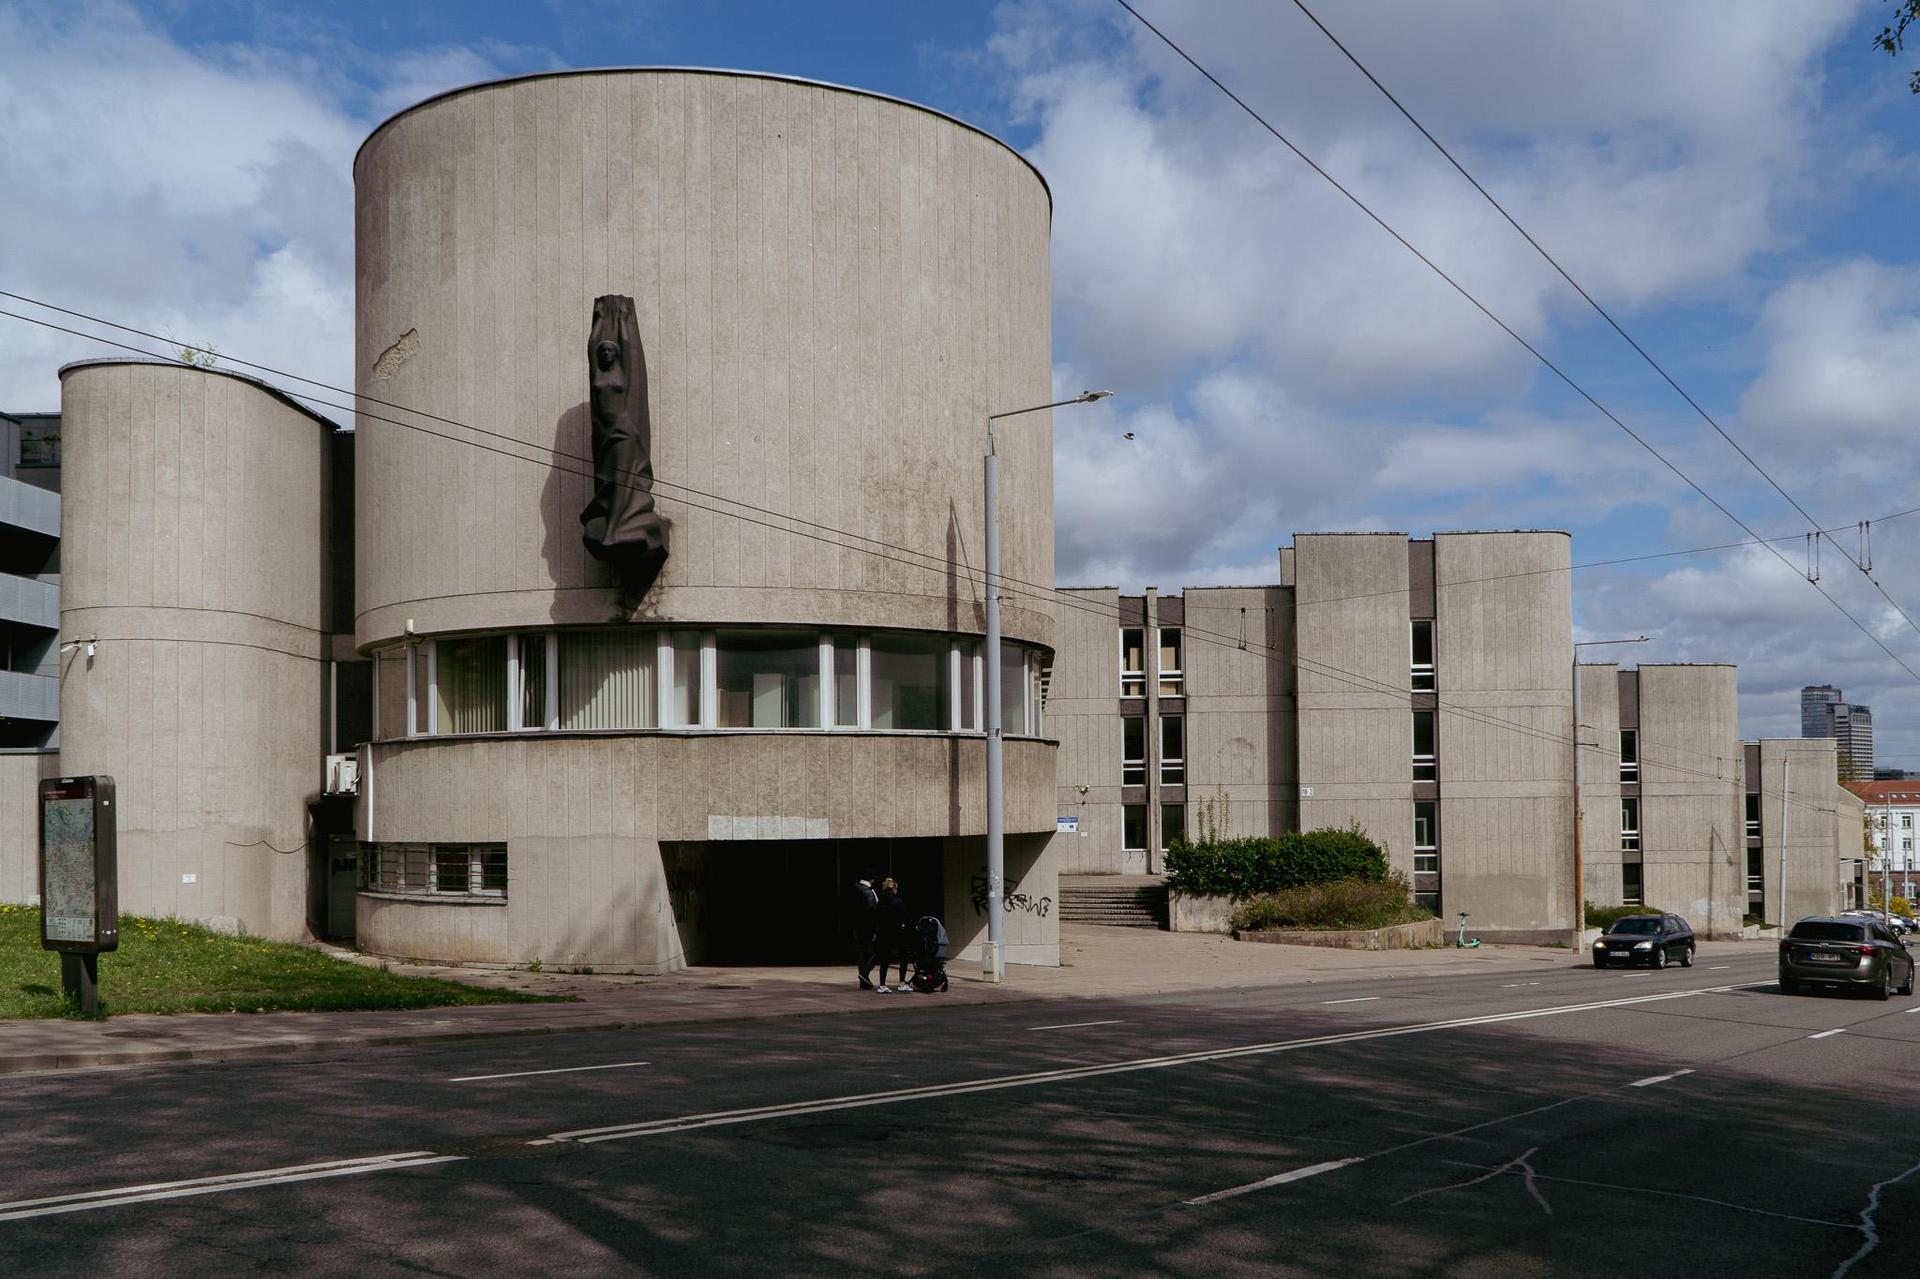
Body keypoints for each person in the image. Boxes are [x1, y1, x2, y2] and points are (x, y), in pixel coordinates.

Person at [874, 877, 911, 992]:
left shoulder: (880, 902)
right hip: (898, 933)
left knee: (885, 959)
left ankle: (882, 984)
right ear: (894, 889)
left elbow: (876, 918)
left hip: (884, 934)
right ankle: (902, 983)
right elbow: (906, 918)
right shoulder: (898, 902)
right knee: (903, 957)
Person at [850, 877, 880, 990]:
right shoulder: (867, 892)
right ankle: (864, 974)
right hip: (867, 928)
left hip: (857, 926)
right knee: (875, 952)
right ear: (872, 880)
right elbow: (871, 912)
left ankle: (863, 982)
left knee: (863, 953)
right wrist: (875, 929)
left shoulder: (854, 889)